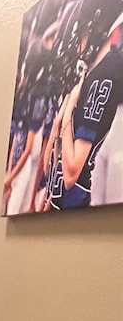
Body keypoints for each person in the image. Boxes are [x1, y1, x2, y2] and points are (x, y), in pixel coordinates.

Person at [44, 14, 123, 209]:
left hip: (76, 198)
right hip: (63, 197)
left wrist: (69, 108)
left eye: (80, 36)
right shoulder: (90, 75)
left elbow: (71, 174)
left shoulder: (106, 73)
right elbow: (49, 168)